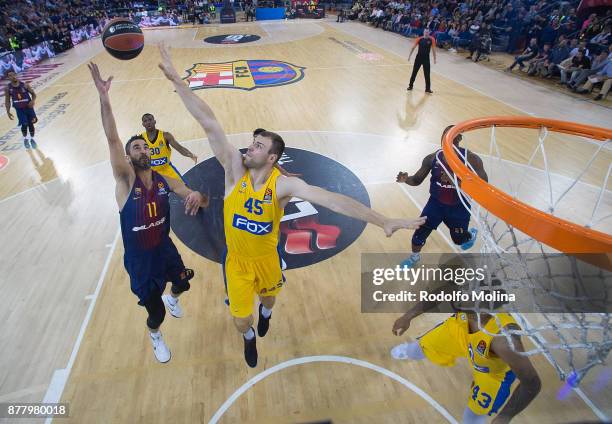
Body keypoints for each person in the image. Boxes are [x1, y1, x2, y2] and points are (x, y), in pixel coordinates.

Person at [157, 44, 426, 368]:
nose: (249, 147)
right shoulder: (233, 171)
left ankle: (267, 312)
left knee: (268, 300)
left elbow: (331, 199)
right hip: (238, 263)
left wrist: (381, 219)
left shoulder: (282, 186)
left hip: (268, 259)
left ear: (271, 158)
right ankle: (249, 336)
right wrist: (177, 81)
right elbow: (208, 121)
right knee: (241, 320)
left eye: (257, 146)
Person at [87, 62, 210, 363]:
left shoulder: (165, 180)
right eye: (137, 148)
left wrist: (196, 195)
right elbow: (113, 138)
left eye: (145, 147)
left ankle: (173, 297)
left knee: (183, 282)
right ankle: (155, 335)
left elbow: (198, 199)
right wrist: (104, 98)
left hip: (164, 248)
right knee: (155, 313)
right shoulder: (125, 182)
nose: (143, 150)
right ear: (128, 158)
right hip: (140, 260)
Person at [390, 285, 541, 423]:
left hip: (491, 372)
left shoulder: (504, 340)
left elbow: (532, 383)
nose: (458, 295)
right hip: (460, 329)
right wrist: (407, 316)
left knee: (472, 416)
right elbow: (441, 292)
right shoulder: (467, 299)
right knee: (421, 347)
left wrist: (504, 417)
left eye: (465, 296)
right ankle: (408, 351)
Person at [396, 125, 487, 268]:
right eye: (444, 137)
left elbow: (483, 186)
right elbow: (417, 180)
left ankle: (470, 235)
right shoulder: (432, 158)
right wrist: (406, 179)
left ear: (459, 138)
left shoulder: (472, 159)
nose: (447, 141)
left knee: (460, 242)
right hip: (435, 205)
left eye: (452, 137)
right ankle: (414, 257)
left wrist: (456, 181)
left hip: (459, 207)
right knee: (419, 234)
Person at [141, 113, 198, 181]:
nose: (148, 122)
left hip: (167, 169)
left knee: (185, 187)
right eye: (145, 121)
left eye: (150, 120)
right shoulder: (141, 139)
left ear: (154, 121)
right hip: (152, 173)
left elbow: (179, 148)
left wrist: (191, 155)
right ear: (143, 124)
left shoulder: (165, 135)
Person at [4, 71, 38, 149]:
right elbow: (7, 101)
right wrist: (8, 112)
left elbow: (34, 94)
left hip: (29, 108)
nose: (13, 76)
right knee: (24, 124)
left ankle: (32, 139)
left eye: (14, 74)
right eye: (10, 76)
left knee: (31, 123)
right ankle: (25, 139)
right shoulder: (8, 88)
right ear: (8, 78)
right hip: (20, 110)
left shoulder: (25, 85)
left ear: (16, 75)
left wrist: (32, 101)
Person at [407, 28, 437, 93]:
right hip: (418, 58)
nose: (426, 33)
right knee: (414, 72)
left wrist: (435, 59)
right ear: (423, 32)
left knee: (427, 74)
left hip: (426, 59)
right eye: (425, 32)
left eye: (427, 32)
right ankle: (410, 86)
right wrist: (409, 56)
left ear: (429, 33)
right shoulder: (419, 39)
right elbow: (413, 48)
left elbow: (434, 50)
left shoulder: (432, 39)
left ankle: (428, 89)